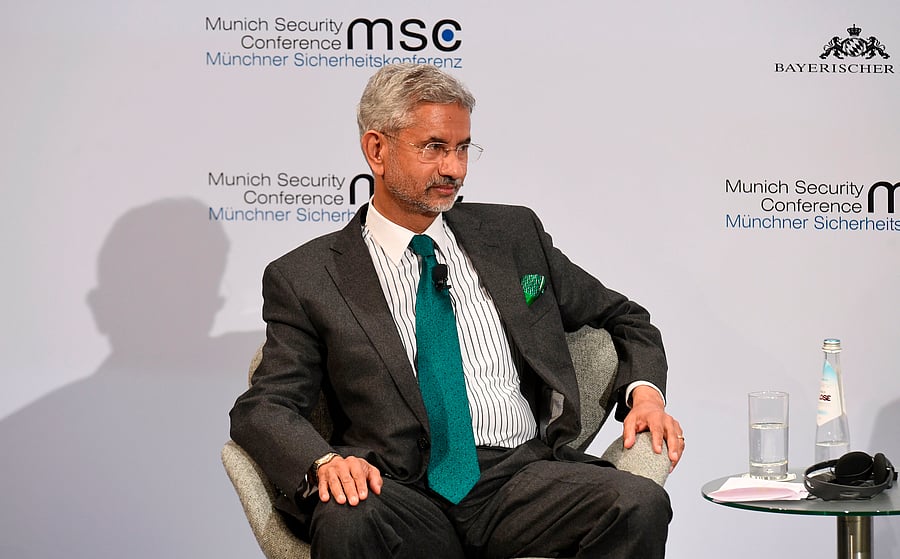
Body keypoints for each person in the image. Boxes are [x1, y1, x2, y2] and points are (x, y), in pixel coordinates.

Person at [230, 63, 684, 559]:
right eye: (434, 148)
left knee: (637, 502)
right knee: (348, 517)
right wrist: (323, 461)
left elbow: (625, 318)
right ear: (376, 150)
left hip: (517, 480)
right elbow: (265, 405)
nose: (455, 169)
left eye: (463, 148)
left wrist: (645, 395)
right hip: (396, 489)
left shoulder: (514, 236)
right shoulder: (308, 276)